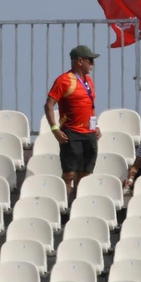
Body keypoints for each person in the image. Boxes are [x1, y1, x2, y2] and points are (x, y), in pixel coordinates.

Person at [45, 44, 101, 197]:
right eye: (90, 60)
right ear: (80, 61)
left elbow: (90, 105)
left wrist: (95, 125)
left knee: (85, 174)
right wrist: (54, 129)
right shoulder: (64, 80)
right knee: (69, 173)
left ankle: (79, 205)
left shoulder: (89, 81)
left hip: (88, 132)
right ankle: (64, 206)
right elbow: (49, 105)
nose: (92, 64)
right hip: (71, 132)